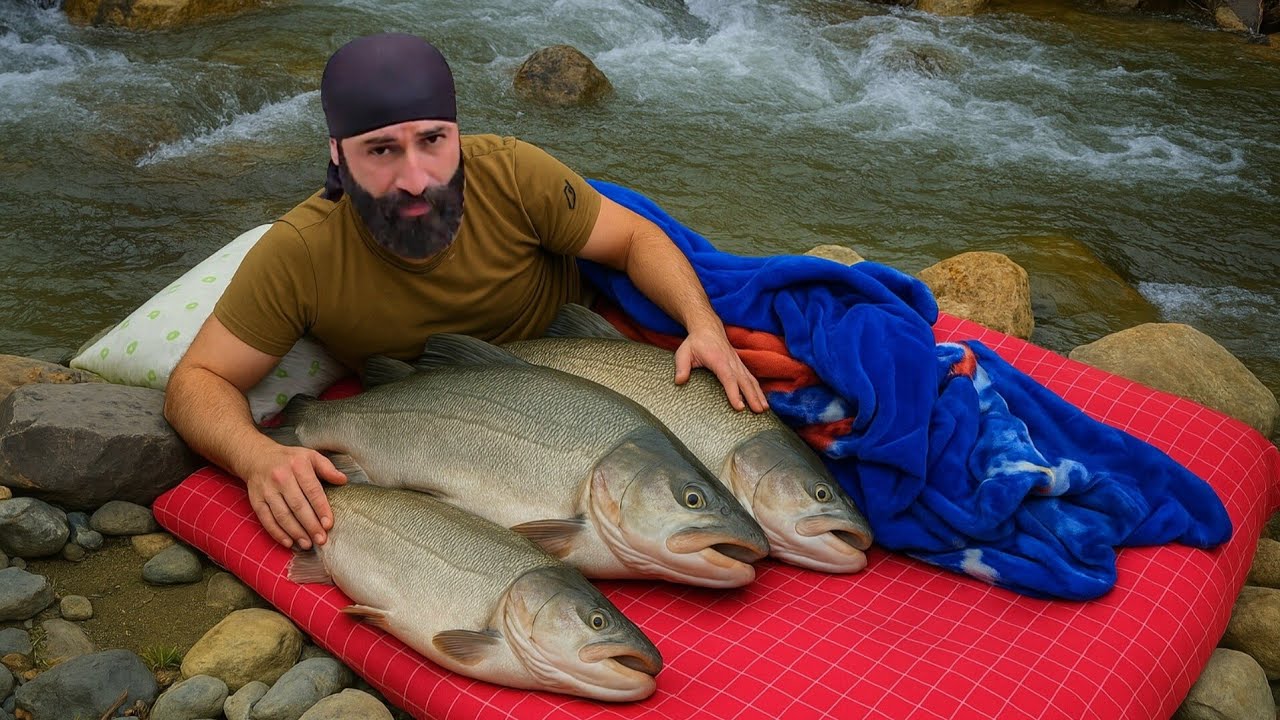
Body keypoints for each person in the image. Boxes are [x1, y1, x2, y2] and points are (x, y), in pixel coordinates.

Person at [163, 33, 766, 553]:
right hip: (438, 409)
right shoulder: (301, 253)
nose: (417, 178)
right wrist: (255, 457)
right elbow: (198, 380)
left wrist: (703, 326)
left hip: (573, 365)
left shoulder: (513, 174)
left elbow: (635, 238)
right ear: (336, 157)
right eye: (380, 151)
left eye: (433, 140)